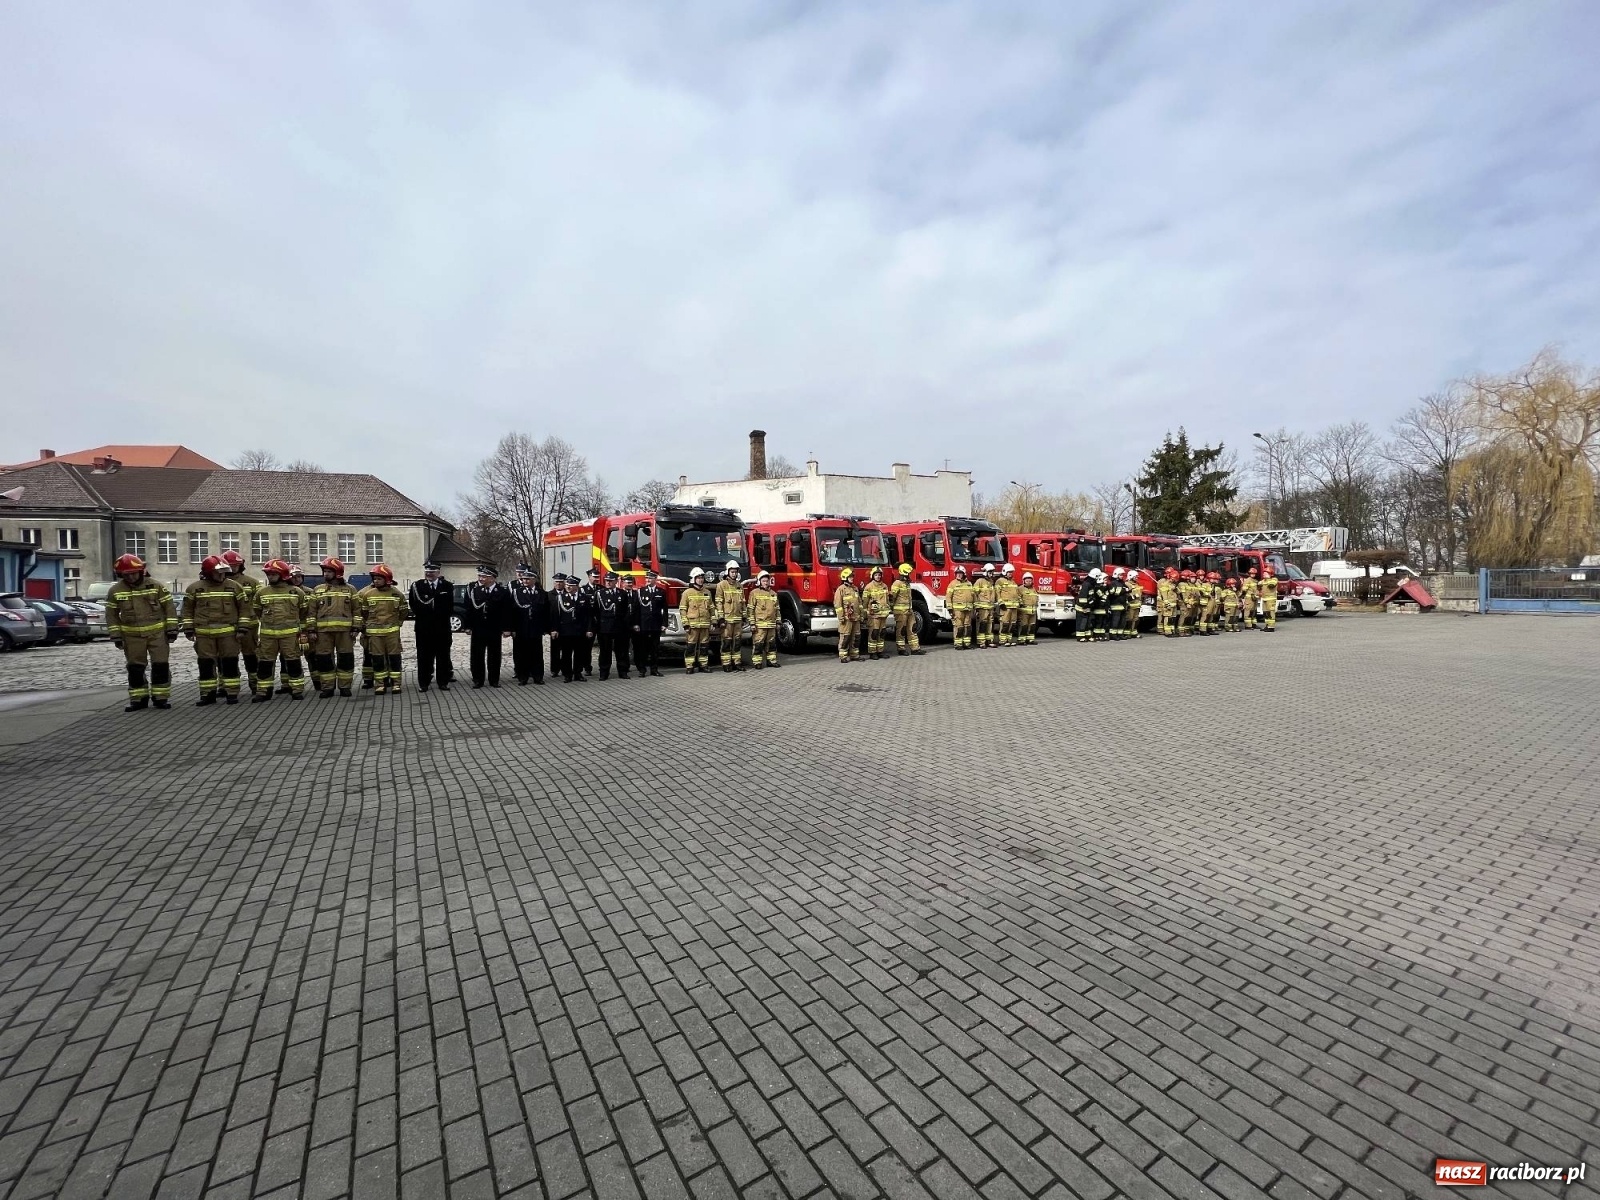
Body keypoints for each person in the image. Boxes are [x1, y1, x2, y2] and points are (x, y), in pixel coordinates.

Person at [106, 553, 179, 712]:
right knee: (135, 668)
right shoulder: (115, 591)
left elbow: (169, 608)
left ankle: (161, 698)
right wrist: (116, 635)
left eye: (133, 573)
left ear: (141, 571)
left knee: (160, 665)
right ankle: (138, 699)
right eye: (126, 575)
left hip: (157, 634)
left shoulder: (156, 586)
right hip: (131, 636)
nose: (131, 577)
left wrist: (172, 629)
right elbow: (111, 615)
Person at [182, 554, 247, 706]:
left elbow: (244, 609)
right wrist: (188, 629)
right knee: (205, 664)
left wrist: (242, 628)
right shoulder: (194, 588)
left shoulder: (234, 587)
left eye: (224, 572)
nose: (222, 576)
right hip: (204, 634)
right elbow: (187, 611)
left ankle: (232, 693)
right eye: (218, 573)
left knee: (230, 663)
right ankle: (207, 694)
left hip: (228, 634)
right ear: (208, 572)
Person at [252, 558, 307, 701]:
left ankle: (296, 690)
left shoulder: (296, 592)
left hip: (290, 635)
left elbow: (303, 612)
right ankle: (263, 691)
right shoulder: (261, 592)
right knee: (265, 663)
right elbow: (257, 610)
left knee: (293, 662)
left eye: (273, 574)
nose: (270, 577)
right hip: (268, 636)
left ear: (282, 574)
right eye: (268, 574)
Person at [308, 556, 360, 697]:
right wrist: (311, 630)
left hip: (345, 632)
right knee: (324, 660)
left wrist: (356, 628)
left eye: (329, 571)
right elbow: (311, 613)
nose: (326, 574)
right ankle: (327, 688)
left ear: (338, 572)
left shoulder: (350, 590)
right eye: (325, 571)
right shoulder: (317, 590)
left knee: (346, 659)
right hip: (323, 633)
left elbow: (357, 611)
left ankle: (345, 687)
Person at [357, 564, 410, 694]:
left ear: (387, 579)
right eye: (374, 578)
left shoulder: (397, 594)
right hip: (375, 634)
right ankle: (380, 684)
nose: (375, 581)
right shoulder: (368, 594)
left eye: (379, 579)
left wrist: (398, 623)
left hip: (392, 633)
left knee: (394, 658)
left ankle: (396, 684)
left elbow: (404, 612)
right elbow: (364, 613)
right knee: (378, 659)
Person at [409, 561, 455, 692]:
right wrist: (427, 615)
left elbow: (450, 606)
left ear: (438, 572)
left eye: (432, 571)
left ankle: (443, 682)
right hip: (424, 628)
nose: (429, 574)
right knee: (424, 657)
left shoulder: (447, 586)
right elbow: (413, 604)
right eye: (427, 571)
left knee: (443, 656)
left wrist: (438, 616)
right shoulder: (417, 586)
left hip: (442, 628)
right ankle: (424, 683)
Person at [465, 565, 513, 687]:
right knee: (477, 655)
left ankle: (494, 680)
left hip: (494, 628)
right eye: (480, 576)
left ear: (492, 578)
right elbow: (470, 610)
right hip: (478, 628)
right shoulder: (476, 591)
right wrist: (468, 626)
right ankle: (478, 679)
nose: (480, 579)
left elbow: (507, 612)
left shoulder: (502, 592)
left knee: (494, 655)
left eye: (483, 577)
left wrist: (507, 628)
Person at [222, 549, 263, 693]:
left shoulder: (252, 582)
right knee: (226, 657)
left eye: (236, 565)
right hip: (227, 626)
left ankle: (255, 683)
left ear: (241, 565)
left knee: (251, 655)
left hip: (250, 626)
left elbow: (260, 602)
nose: (233, 568)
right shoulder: (218, 583)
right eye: (230, 565)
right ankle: (225, 685)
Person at [510, 564, 549, 685]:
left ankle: (538, 676)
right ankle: (523, 677)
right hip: (521, 628)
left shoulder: (541, 593)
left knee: (537, 653)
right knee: (522, 654)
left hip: (536, 628)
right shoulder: (517, 593)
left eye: (528, 579)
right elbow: (512, 612)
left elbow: (546, 612)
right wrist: (512, 628)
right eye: (523, 579)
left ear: (534, 579)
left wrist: (545, 628)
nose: (525, 581)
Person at [679, 567, 714, 673]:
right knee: (691, 646)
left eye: (702, 578)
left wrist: (714, 622)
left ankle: (703, 665)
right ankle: (689, 666)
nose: (700, 580)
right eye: (698, 578)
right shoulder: (687, 593)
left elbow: (711, 608)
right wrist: (685, 624)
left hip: (705, 625)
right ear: (693, 579)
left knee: (704, 646)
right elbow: (683, 609)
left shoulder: (707, 592)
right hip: (692, 626)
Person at [714, 560, 747, 672]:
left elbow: (743, 602)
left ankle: (737, 663)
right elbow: (719, 602)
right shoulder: (721, 585)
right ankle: (726, 663)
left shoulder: (739, 586)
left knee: (737, 642)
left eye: (735, 572)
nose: (734, 574)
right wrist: (721, 618)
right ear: (727, 572)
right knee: (726, 642)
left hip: (737, 619)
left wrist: (744, 616)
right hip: (727, 620)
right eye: (732, 572)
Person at [595, 573, 628, 680]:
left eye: (610, 581)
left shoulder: (622, 593)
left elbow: (625, 610)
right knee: (605, 651)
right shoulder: (600, 593)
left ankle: (622, 672)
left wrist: (624, 624)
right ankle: (604, 672)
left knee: (621, 651)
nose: (608, 582)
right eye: (606, 580)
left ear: (616, 581)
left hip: (619, 626)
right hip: (605, 626)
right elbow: (596, 611)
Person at [551, 575, 585, 681]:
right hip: (565, 630)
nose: (568, 587)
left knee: (579, 653)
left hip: (579, 630)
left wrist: (589, 629)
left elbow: (588, 615)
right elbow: (555, 615)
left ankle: (578, 673)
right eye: (567, 585)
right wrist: (554, 629)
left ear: (577, 586)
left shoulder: (583, 598)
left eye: (571, 585)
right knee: (566, 654)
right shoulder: (560, 598)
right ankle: (567, 674)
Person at [633, 571, 667, 676]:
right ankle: (642, 670)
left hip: (656, 624)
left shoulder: (661, 592)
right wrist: (636, 624)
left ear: (655, 579)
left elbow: (665, 609)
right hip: (643, 624)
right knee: (643, 648)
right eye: (646, 578)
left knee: (655, 649)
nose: (647, 580)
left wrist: (664, 624)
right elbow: (636, 609)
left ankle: (654, 669)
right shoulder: (640, 592)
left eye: (650, 578)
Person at [748, 571, 782, 668]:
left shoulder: (773, 594)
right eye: (763, 581)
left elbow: (777, 609)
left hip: (771, 624)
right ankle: (757, 662)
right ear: (759, 581)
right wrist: (752, 623)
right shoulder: (754, 593)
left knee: (771, 644)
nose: (766, 583)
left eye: (767, 581)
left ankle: (771, 661)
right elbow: (750, 609)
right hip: (759, 625)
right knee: (758, 644)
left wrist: (778, 622)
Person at [890, 563, 923, 655]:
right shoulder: (897, 583)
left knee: (913, 628)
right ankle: (901, 649)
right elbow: (892, 597)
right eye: (908, 573)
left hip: (909, 610)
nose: (909, 575)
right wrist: (892, 608)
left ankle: (915, 649)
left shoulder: (907, 584)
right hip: (901, 612)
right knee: (902, 630)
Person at [861, 566, 891, 659]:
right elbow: (865, 602)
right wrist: (864, 614)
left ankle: (880, 651)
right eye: (876, 575)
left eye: (879, 575)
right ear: (872, 576)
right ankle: (872, 652)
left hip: (883, 614)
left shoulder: (884, 586)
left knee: (882, 633)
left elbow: (887, 600)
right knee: (874, 633)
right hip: (873, 615)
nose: (878, 577)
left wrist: (889, 608)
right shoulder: (868, 587)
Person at [834, 567, 862, 663]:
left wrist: (861, 614)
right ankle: (843, 656)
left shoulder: (855, 588)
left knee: (856, 637)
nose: (852, 578)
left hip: (856, 617)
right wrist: (841, 617)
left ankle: (854, 655)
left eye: (852, 577)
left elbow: (859, 603)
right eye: (850, 577)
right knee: (845, 637)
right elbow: (838, 605)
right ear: (845, 578)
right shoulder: (840, 589)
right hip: (847, 618)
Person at [577, 568, 601, 677]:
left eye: (597, 577)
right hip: (588, 623)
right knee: (587, 647)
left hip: (600, 622)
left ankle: (603, 666)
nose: (596, 579)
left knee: (603, 646)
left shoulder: (601, 589)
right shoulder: (583, 590)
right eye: (594, 577)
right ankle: (587, 667)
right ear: (589, 577)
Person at [613, 576, 638, 678]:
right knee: (623, 647)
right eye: (627, 583)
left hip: (634, 624)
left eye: (631, 583)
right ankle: (625, 667)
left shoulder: (636, 594)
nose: (629, 584)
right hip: (623, 625)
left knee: (637, 646)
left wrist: (636, 623)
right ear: (623, 583)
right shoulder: (620, 594)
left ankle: (639, 666)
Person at [947, 565, 975, 649]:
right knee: (959, 627)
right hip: (958, 610)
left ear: (964, 574)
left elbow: (973, 596)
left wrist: (975, 607)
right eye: (957, 573)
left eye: (960, 573)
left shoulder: (969, 584)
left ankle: (966, 643)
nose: (958, 575)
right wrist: (950, 608)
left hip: (968, 609)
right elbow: (948, 596)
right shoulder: (952, 584)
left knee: (967, 627)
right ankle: (958, 644)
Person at [995, 563, 1021, 646]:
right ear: (1004, 572)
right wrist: (1000, 603)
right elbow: (997, 593)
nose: (1010, 574)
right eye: (1009, 572)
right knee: (1005, 623)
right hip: (1005, 607)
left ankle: (1009, 640)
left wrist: (1019, 602)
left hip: (1014, 607)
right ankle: (1003, 640)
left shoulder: (1013, 582)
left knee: (1012, 624)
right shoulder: (1000, 581)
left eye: (1011, 572)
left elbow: (1017, 594)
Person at [973, 564, 998, 648]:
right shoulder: (979, 581)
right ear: (985, 572)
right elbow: (974, 594)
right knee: (982, 624)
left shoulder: (991, 582)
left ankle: (989, 640)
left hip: (990, 607)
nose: (991, 574)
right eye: (990, 572)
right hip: (982, 608)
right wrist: (976, 606)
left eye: (992, 572)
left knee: (990, 624)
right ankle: (981, 642)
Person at [1073, 571, 1097, 643]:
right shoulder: (1086, 584)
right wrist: (1084, 606)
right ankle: (1080, 636)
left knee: (1088, 622)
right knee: (1082, 622)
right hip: (1082, 607)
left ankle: (1088, 635)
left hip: (1087, 606)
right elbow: (1083, 597)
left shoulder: (1090, 584)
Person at [1105, 568, 1128, 640]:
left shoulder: (1122, 582)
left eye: (1122, 575)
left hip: (1123, 605)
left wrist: (1125, 590)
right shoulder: (1113, 583)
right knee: (1115, 621)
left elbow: (1126, 589)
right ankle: (1113, 635)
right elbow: (1115, 593)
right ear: (1116, 575)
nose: (1122, 576)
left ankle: (1120, 634)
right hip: (1116, 605)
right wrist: (1124, 590)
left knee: (1122, 621)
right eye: (1120, 575)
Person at [1156, 567, 1179, 637]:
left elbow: (1177, 592)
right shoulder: (1163, 582)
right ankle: (1163, 630)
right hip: (1164, 602)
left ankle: (1171, 630)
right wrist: (1165, 602)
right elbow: (1162, 593)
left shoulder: (1173, 584)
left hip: (1172, 603)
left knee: (1171, 617)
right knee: (1164, 616)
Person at [1017, 572, 1038, 645]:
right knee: (1024, 626)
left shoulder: (1033, 589)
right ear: (1024, 581)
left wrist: (1036, 604)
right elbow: (1018, 597)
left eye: (1030, 581)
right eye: (1027, 581)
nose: (1029, 582)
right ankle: (1021, 640)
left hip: (1033, 611)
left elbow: (1036, 598)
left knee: (1032, 626)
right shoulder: (1020, 589)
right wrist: (1021, 604)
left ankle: (1030, 639)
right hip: (1024, 611)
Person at [1123, 570, 1143, 639]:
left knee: (1136, 619)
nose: (1136, 578)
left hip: (1137, 605)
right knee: (1129, 619)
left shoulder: (1137, 584)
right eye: (1135, 577)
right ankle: (1127, 633)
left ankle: (1134, 633)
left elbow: (1140, 594)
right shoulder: (1126, 584)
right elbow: (1126, 595)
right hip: (1131, 605)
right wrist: (1133, 597)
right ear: (1131, 576)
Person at [1240, 567, 1260, 632]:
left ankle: (1253, 624)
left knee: (1253, 611)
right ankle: (1248, 625)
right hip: (1249, 598)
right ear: (1249, 573)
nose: (1253, 575)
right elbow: (1244, 589)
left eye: (1254, 573)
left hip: (1255, 598)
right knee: (1248, 611)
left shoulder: (1255, 581)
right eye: (1252, 573)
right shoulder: (1247, 580)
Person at [1259, 567, 1279, 631]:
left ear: (1270, 574)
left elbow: (1271, 585)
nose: (1264, 574)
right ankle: (1267, 625)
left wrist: (1266, 580)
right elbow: (1258, 585)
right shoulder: (1263, 581)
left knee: (1270, 613)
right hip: (1264, 598)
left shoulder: (1274, 579)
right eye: (1264, 573)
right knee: (1265, 613)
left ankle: (1271, 627)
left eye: (1266, 573)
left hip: (1271, 599)